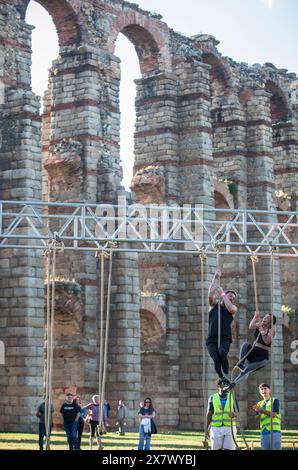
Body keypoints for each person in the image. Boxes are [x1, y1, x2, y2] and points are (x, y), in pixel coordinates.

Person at [224, 311, 276, 391]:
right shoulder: (260, 325)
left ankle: (233, 384)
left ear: (270, 322)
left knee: (247, 370)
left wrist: (262, 333)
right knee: (245, 344)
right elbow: (251, 326)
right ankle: (240, 363)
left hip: (262, 357)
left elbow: (267, 342)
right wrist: (255, 316)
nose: (265, 318)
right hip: (253, 351)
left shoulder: (271, 330)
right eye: (265, 317)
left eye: (267, 318)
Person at [206, 269, 237, 384]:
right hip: (211, 339)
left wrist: (223, 293)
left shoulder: (233, 309)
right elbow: (210, 293)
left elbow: (230, 307)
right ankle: (222, 377)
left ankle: (226, 373)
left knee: (222, 352)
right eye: (230, 296)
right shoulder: (214, 305)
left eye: (233, 298)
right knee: (216, 358)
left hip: (224, 338)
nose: (231, 299)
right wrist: (216, 276)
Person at [206, 378, 239, 450]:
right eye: (223, 384)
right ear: (218, 386)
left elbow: (237, 413)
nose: (225, 386)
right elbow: (209, 413)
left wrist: (234, 414)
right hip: (216, 428)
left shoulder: (232, 397)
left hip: (230, 428)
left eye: (227, 384)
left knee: (229, 448)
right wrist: (206, 428)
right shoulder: (212, 398)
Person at [253, 383, 282, 450]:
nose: (263, 390)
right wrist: (259, 414)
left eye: (265, 388)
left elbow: (274, 414)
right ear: (260, 392)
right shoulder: (259, 403)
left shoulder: (275, 400)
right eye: (261, 389)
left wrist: (261, 410)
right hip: (264, 431)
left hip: (274, 431)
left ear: (269, 390)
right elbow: (256, 418)